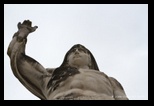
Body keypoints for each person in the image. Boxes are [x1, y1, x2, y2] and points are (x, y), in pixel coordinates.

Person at [7, 20, 128, 100]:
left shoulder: (109, 79)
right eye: (72, 52)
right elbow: (19, 62)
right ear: (67, 59)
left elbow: (122, 98)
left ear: (90, 60)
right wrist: (21, 36)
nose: (76, 52)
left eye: (81, 51)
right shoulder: (52, 77)